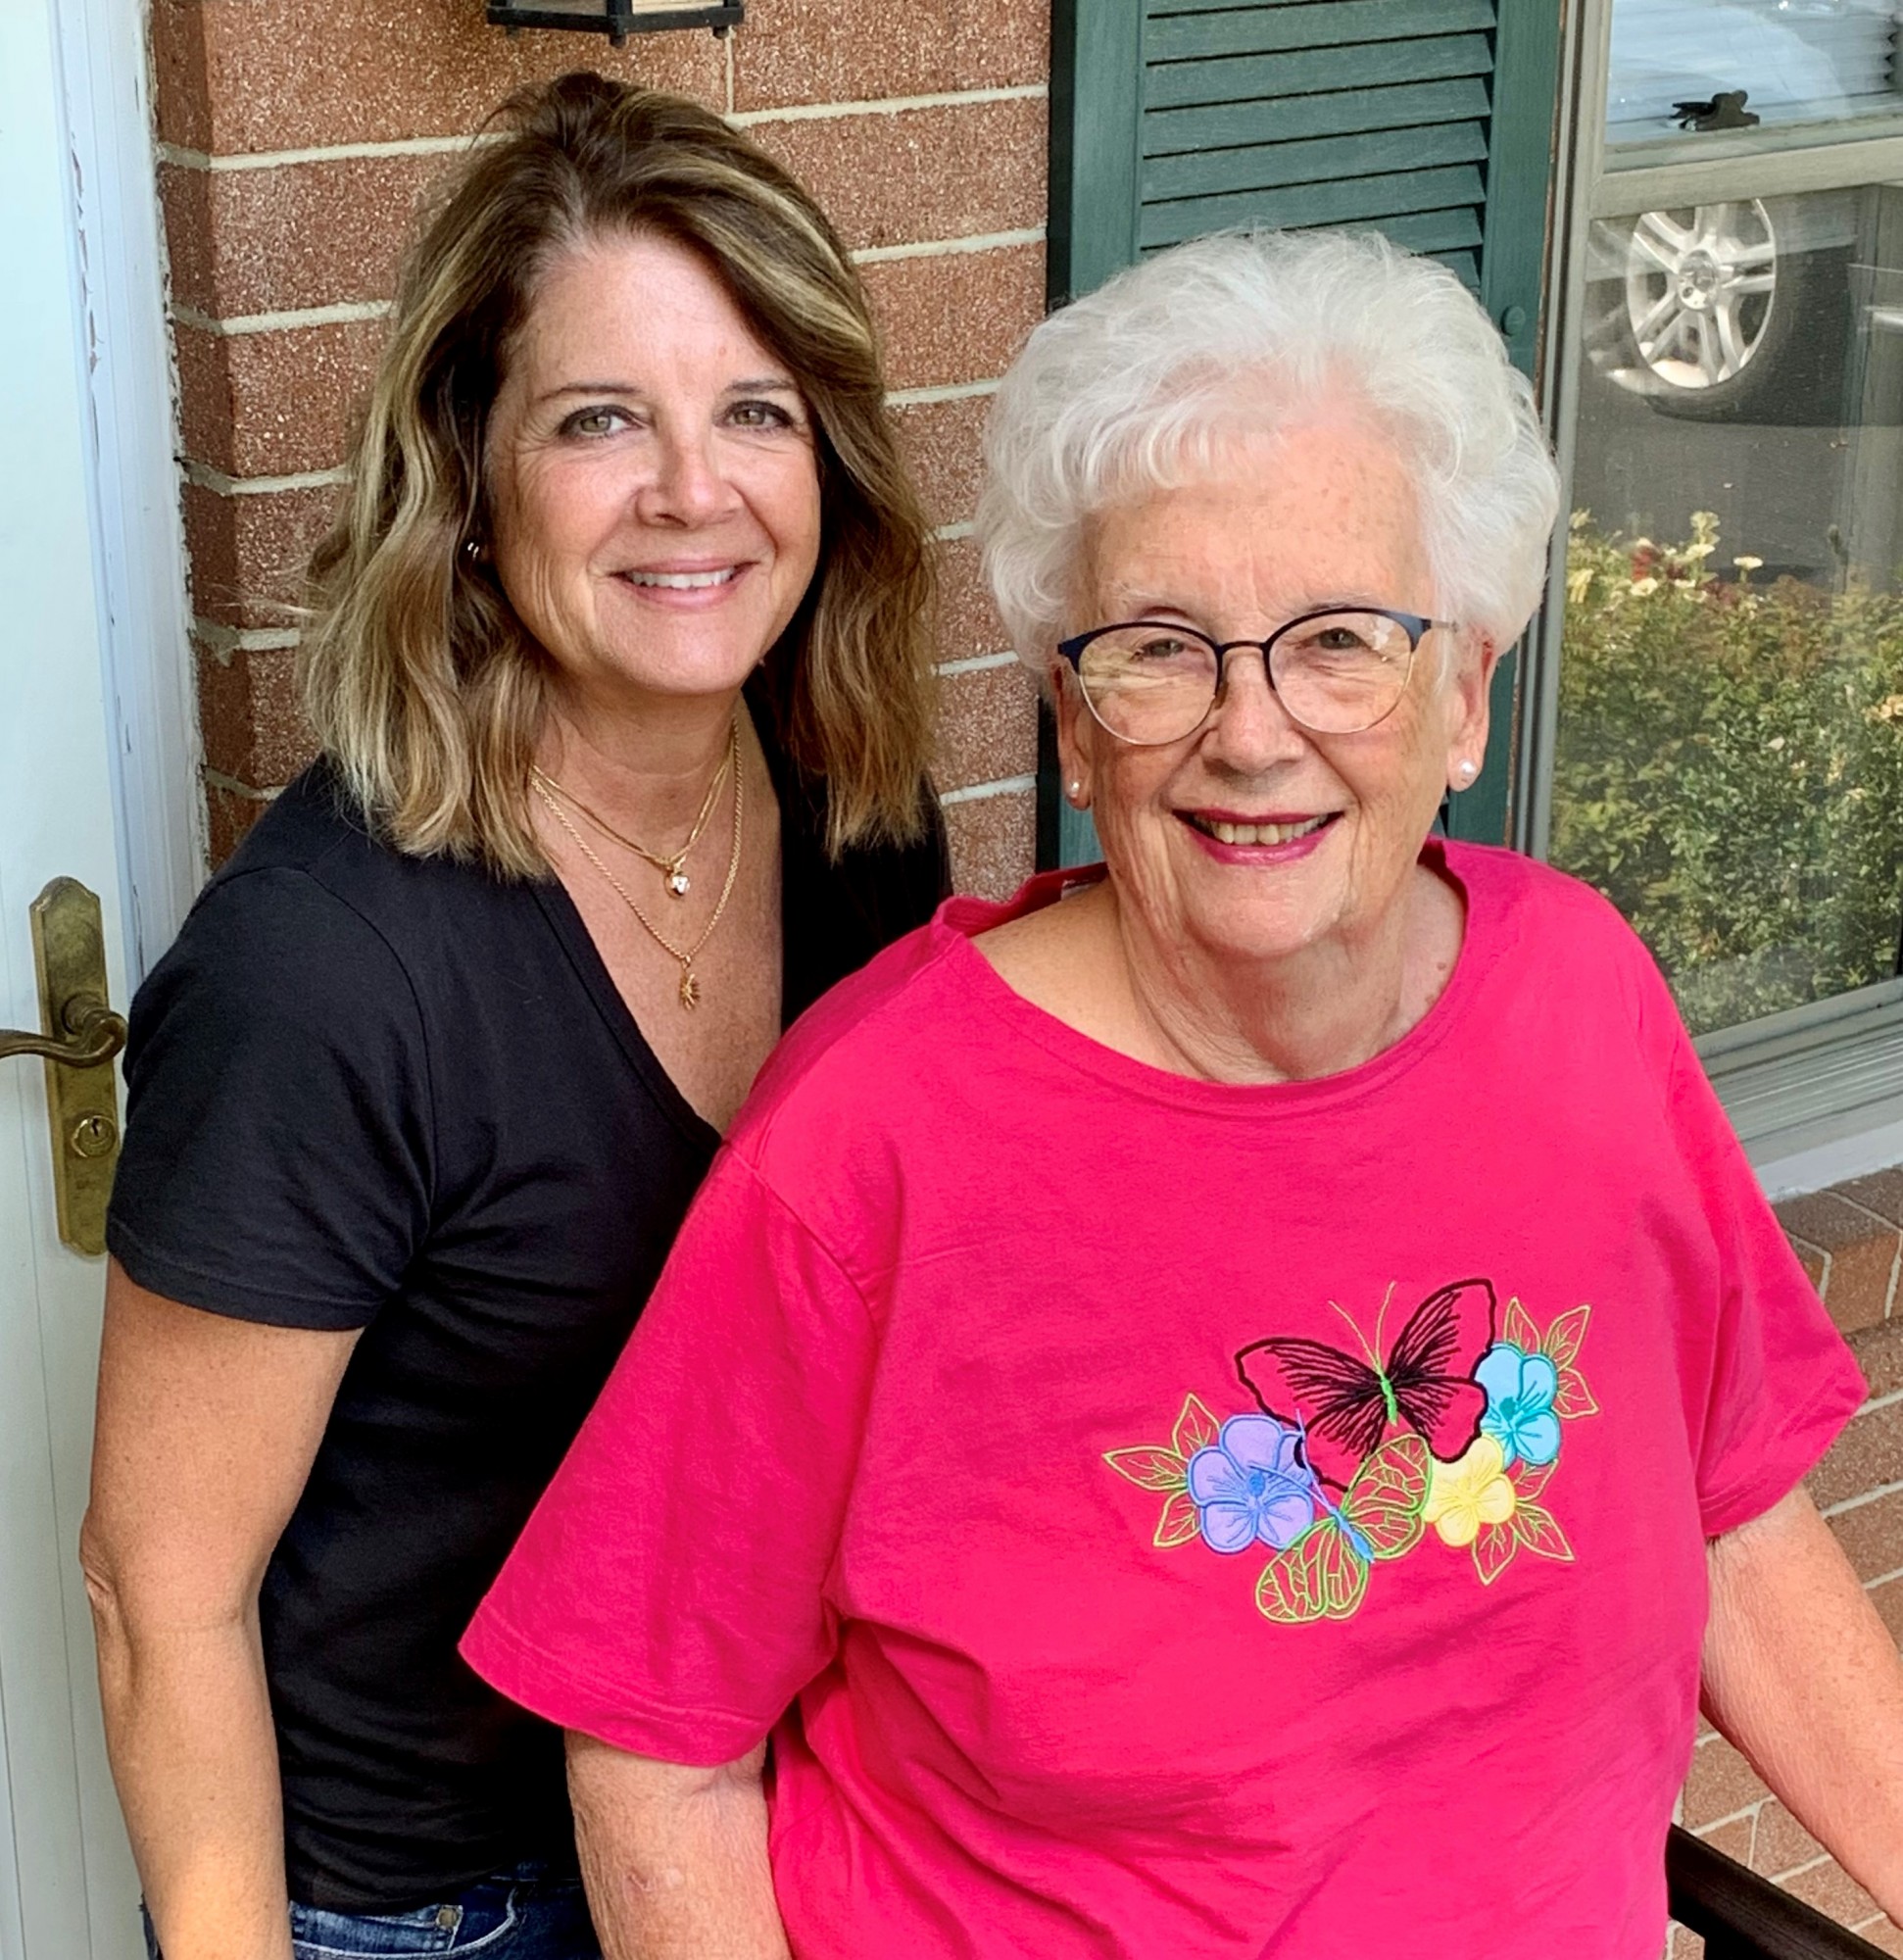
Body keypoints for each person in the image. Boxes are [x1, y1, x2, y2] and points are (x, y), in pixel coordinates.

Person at [461, 226, 1903, 1957]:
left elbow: (1730, 1512)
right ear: (1072, 729)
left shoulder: (1578, 996)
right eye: (1157, 647)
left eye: (1341, 641)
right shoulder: (875, 1141)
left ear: (1464, 693)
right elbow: (650, 1748)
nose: (1250, 730)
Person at [82, 72, 948, 1960]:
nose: (690, 490)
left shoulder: (854, 825)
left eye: (754, 413)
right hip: (432, 1900)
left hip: (759, 1808)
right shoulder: (323, 969)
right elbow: (159, 1594)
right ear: (468, 481)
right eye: (597, 421)